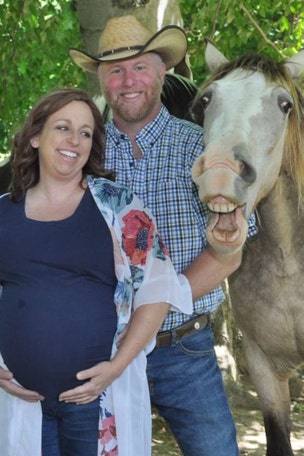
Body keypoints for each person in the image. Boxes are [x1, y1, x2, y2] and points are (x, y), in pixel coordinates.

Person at [69, 15, 258, 456]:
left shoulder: (205, 147)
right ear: (102, 79)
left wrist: (157, 306)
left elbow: (230, 249)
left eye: (139, 66)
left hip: (183, 348)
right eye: (115, 70)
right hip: (98, 349)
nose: (128, 80)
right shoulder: (82, 154)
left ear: (162, 71)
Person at [0, 87, 192, 456]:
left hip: (96, 401)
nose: (75, 140)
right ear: (36, 136)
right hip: (22, 403)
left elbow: (157, 288)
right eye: (63, 127)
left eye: (86, 132)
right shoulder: (3, 213)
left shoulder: (119, 208)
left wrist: (117, 366)